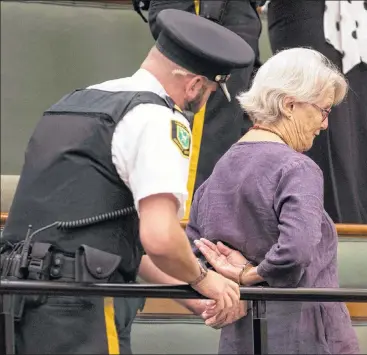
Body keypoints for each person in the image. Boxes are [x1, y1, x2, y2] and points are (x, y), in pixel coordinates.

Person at [0, 9, 255, 354]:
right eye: (210, 90)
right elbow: (160, 238)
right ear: (195, 84)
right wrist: (204, 277)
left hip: (16, 301)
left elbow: (114, 240)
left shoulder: (74, 102)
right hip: (82, 309)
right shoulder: (158, 119)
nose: (204, 100)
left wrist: (197, 297)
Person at [186, 48, 361, 354]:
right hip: (307, 337)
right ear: (289, 104)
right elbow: (296, 250)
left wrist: (233, 289)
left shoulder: (219, 170)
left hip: (241, 339)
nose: (324, 124)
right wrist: (249, 275)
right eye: (324, 110)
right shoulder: (297, 168)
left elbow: (194, 251)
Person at [259, 0, 367, 225]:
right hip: (304, 13)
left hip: (357, 16)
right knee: (319, 114)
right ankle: (312, 224)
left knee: (366, 121)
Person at [147, 0, 263, 219]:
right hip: (206, 9)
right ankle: (186, 233)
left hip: (238, 11)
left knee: (233, 127)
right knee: (205, 132)